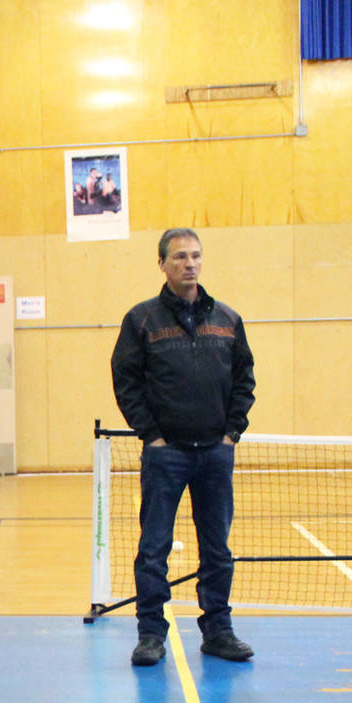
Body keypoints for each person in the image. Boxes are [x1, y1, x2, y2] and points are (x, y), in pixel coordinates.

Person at [110, 227, 256, 669]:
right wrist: (151, 434)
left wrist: (232, 433)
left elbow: (244, 379)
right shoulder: (141, 320)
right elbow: (126, 381)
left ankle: (218, 631)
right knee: (154, 548)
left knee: (217, 549)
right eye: (179, 257)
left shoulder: (228, 319)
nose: (189, 264)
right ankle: (151, 634)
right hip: (165, 454)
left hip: (215, 453)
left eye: (195, 256)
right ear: (162, 264)